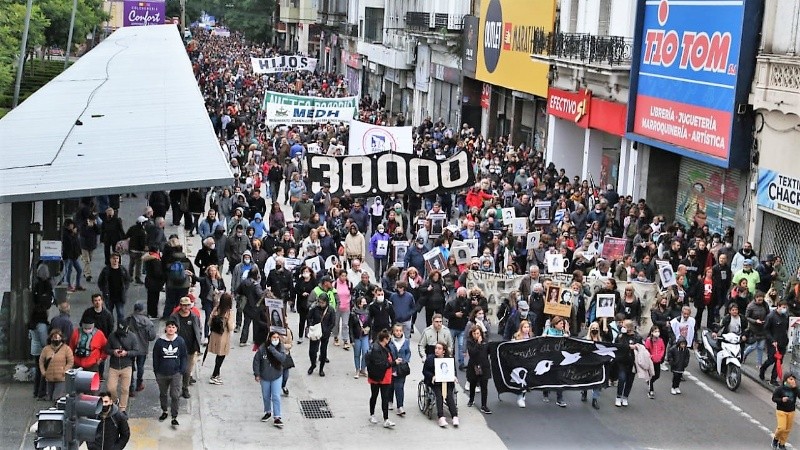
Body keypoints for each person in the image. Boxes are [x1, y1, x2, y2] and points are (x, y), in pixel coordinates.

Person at [153, 319, 188, 426]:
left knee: (175, 395)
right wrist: (156, 371)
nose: (171, 329)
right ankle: (164, 411)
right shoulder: (159, 342)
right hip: (162, 373)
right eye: (169, 327)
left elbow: (183, 356)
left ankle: (174, 416)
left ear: (176, 329)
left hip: (175, 373)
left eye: (173, 327)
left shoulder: (180, 341)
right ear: (166, 328)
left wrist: (182, 370)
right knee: (163, 394)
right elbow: (155, 357)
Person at [170, 297, 203, 398]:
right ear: (180, 305)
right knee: (176, 370)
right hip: (177, 349)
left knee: (187, 371)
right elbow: (169, 329)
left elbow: (199, 329)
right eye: (184, 305)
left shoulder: (194, 316)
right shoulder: (174, 317)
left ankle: (185, 387)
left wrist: (198, 342)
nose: (186, 307)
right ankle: (176, 388)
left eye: (188, 305)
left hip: (190, 348)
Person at [105, 322, 141, 413]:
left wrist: (127, 353)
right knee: (110, 388)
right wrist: (113, 352)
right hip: (114, 366)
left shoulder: (132, 337)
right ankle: (115, 400)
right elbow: (106, 349)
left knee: (125, 389)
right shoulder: (112, 336)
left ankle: (122, 408)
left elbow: (136, 351)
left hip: (127, 366)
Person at [366, 329, 399, 428]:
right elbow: (381, 364)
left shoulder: (385, 347)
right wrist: (394, 363)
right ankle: (372, 414)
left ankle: (386, 418)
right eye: (388, 338)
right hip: (378, 376)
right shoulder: (376, 349)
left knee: (385, 397)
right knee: (374, 395)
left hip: (385, 376)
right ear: (385, 339)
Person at [253, 331, 286, 428]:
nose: (275, 339)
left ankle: (277, 417)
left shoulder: (280, 347)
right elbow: (256, 361)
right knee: (266, 396)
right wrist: (257, 374)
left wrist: (273, 350)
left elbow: (282, 358)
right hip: (265, 377)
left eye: (277, 337)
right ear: (269, 338)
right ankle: (268, 411)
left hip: (276, 376)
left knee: (276, 396)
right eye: (273, 337)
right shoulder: (263, 348)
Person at [422, 342, 459, 428]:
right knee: (439, 396)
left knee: (449, 396)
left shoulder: (449, 359)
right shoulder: (430, 359)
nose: (437, 350)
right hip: (435, 383)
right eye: (436, 348)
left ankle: (454, 416)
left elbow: (453, 371)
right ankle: (441, 417)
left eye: (439, 349)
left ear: (443, 351)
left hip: (447, 382)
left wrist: (454, 377)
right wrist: (432, 376)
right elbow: (425, 371)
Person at [126, 303, 155, 395]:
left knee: (130, 367)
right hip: (142, 347)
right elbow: (152, 337)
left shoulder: (128, 320)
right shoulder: (148, 321)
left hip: (130, 348)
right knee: (140, 366)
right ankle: (139, 384)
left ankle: (131, 387)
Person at [207, 293, 235, 385]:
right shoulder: (229, 312)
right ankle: (215, 375)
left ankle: (216, 373)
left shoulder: (216, 309)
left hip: (215, 334)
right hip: (223, 336)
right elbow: (231, 327)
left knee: (218, 355)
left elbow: (209, 322)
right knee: (221, 355)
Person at [761, 300, 791, 386]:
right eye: (783, 307)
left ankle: (773, 379)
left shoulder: (785, 316)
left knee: (779, 361)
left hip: (782, 342)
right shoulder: (771, 316)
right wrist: (772, 340)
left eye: (786, 307)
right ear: (778, 306)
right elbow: (766, 330)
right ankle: (763, 369)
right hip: (773, 343)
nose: (784, 309)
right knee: (771, 359)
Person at [39, 329, 74, 401]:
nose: (56, 340)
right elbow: (41, 362)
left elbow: (70, 362)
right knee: (50, 398)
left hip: (61, 378)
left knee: (57, 398)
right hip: (49, 378)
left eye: (58, 338)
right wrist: (43, 372)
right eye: (54, 338)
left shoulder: (66, 349)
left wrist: (64, 371)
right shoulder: (46, 349)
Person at [614, 319, 642, 407]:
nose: (622, 328)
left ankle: (625, 397)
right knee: (622, 379)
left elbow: (642, 348)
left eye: (624, 326)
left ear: (630, 328)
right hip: (622, 361)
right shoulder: (621, 336)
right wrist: (629, 347)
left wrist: (637, 347)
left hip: (633, 363)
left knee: (629, 381)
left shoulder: (637, 337)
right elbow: (618, 346)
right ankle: (618, 397)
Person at [542, 316, 569, 407]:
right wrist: (544, 337)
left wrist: (566, 336)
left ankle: (559, 398)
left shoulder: (562, 332)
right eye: (561, 323)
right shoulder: (548, 330)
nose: (562, 325)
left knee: (559, 378)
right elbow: (541, 341)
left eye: (563, 324)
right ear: (555, 324)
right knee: (547, 376)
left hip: (559, 359)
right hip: (549, 358)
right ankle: (545, 392)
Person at [97, 253, 131, 325]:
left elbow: (127, 280)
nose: (115, 260)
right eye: (113, 258)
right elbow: (100, 282)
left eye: (117, 258)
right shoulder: (106, 270)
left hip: (120, 296)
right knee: (109, 315)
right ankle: (110, 329)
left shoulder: (123, 270)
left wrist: (125, 289)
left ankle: (120, 330)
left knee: (121, 314)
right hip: (109, 296)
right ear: (110, 260)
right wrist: (104, 290)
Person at [307, 293, 336, 377]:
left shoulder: (330, 310)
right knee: (312, 351)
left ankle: (321, 369)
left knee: (323, 352)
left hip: (324, 334)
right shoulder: (315, 308)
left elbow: (332, 322)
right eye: (320, 302)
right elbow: (309, 317)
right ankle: (313, 364)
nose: (321, 304)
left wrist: (327, 331)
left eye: (323, 302)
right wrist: (311, 326)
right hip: (315, 332)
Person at [466, 325, 492, 414]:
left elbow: (489, 351)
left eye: (478, 333)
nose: (476, 335)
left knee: (484, 386)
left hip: (484, 366)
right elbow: (472, 353)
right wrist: (478, 344)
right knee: (473, 383)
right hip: (474, 366)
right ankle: (471, 399)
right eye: (474, 333)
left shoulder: (485, 341)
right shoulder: (469, 342)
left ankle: (484, 405)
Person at [444, 287, 471, 370]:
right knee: (450, 346)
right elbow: (445, 313)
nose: (462, 295)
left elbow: (470, 313)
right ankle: (450, 361)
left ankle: (461, 363)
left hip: (463, 328)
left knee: (461, 346)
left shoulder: (468, 303)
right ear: (458, 294)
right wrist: (455, 314)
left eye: (464, 294)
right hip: (452, 327)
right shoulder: (451, 303)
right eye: (461, 294)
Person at [388, 323, 411, 416]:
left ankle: (400, 406)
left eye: (400, 331)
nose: (398, 332)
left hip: (402, 368)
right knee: (390, 386)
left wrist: (404, 360)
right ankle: (390, 400)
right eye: (396, 331)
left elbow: (408, 353)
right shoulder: (390, 342)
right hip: (392, 367)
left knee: (399, 387)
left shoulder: (406, 341)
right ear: (393, 331)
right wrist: (393, 361)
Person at [772, 374, 799, 450]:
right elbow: (774, 398)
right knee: (781, 428)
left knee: (787, 429)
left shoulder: (795, 389)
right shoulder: (780, 389)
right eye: (790, 379)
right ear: (786, 380)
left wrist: (796, 388)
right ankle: (776, 439)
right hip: (781, 411)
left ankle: (782, 444)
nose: (793, 381)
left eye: (793, 379)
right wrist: (781, 400)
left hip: (791, 411)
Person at [199, 265, 226, 340]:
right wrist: (192, 275)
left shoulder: (220, 279)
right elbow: (198, 279)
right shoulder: (206, 279)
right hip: (208, 300)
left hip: (217, 302)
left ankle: (214, 334)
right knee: (208, 317)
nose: (212, 272)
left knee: (217, 318)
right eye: (211, 270)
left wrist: (221, 291)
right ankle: (206, 336)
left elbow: (224, 288)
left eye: (214, 270)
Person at [582, 321, 604, 409]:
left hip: (597, 364)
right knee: (586, 379)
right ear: (590, 329)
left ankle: (595, 399)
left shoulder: (600, 340)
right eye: (593, 328)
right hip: (587, 363)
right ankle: (584, 392)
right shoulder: (585, 339)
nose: (594, 330)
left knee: (597, 381)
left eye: (596, 329)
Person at [350, 297, 371, 378]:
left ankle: (363, 369)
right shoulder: (353, 313)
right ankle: (357, 369)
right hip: (357, 336)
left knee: (366, 353)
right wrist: (352, 340)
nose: (365, 303)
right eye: (363, 302)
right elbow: (351, 327)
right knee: (357, 354)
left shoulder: (367, 312)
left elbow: (370, 325)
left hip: (365, 335)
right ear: (359, 304)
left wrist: (370, 337)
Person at [644, 325, 666, 399]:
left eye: (658, 331)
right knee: (652, 374)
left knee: (657, 375)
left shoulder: (660, 340)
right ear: (652, 332)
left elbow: (663, 348)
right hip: (651, 361)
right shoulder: (648, 340)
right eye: (655, 331)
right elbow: (646, 349)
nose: (657, 333)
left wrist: (661, 355)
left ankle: (650, 382)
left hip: (658, 360)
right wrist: (651, 356)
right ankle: (651, 390)